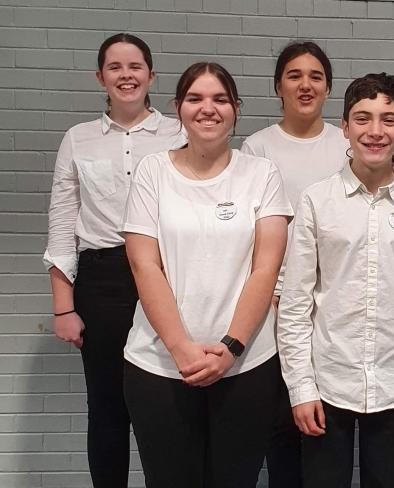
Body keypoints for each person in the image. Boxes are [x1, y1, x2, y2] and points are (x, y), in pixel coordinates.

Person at [278, 72, 394, 488]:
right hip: (327, 383)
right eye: (362, 119)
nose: (375, 131)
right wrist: (301, 388)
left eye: (388, 120)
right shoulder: (317, 202)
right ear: (344, 127)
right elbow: (295, 304)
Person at [121, 62, 292, 488]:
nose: (207, 109)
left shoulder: (261, 173)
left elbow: (266, 268)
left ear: (236, 108)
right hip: (159, 366)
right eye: (195, 98)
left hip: (246, 365)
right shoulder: (152, 171)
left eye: (219, 99)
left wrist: (232, 346)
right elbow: (145, 265)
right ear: (178, 108)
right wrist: (180, 349)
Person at [44, 33, 184, 488]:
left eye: (136, 66)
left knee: (164, 399)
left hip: (167, 277)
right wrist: (63, 306)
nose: (127, 76)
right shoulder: (78, 139)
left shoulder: (177, 132)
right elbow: (63, 223)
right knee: (106, 406)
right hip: (102, 280)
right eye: (116, 68)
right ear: (100, 77)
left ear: (151, 74)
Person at [240, 40, 348, 487]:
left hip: (338, 300)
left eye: (316, 76)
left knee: (327, 420)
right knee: (283, 420)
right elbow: (253, 233)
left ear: (327, 88)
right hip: (276, 302)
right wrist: (276, 294)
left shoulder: (348, 142)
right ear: (278, 87)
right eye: (295, 75)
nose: (306, 84)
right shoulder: (258, 146)